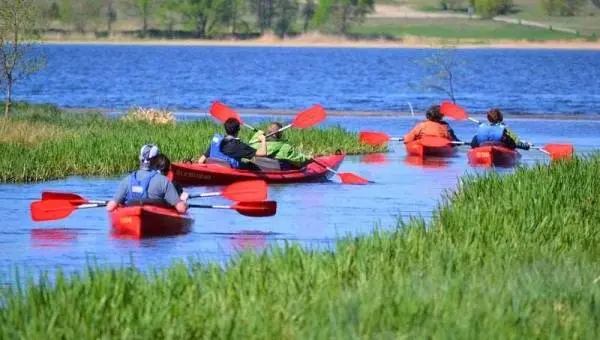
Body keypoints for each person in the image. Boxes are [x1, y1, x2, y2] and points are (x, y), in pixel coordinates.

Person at [106, 144, 188, 213]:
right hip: (156, 219)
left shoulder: (127, 180)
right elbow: (181, 209)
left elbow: (110, 208)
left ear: (140, 158)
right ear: (156, 160)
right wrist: (184, 201)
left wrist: (120, 203)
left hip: (132, 216)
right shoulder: (164, 181)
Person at [197, 118, 267, 169]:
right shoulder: (239, 146)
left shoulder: (217, 141)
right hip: (229, 170)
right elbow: (263, 153)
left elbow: (201, 160)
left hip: (214, 167)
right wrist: (263, 140)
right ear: (238, 130)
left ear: (225, 129)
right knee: (251, 165)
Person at [248, 122, 312, 169]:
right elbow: (298, 158)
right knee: (289, 162)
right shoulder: (284, 145)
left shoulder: (255, 142)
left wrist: (260, 133)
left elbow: (252, 141)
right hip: (276, 168)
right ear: (279, 133)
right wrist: (308, 159)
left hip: (258, 166)